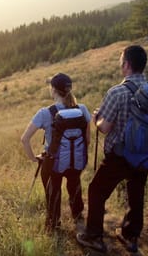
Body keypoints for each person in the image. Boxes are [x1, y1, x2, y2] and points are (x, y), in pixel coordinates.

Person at [76, 45, 148, 253]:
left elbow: (106, 128)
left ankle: (94, 237)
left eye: (121, 62)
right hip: (144, 154)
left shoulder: (117, 92)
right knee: (136, 191)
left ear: (126, 64)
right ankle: (130, 236)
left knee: (96, 190)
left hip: (120, 156)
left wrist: (96, 120)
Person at [21, 72, 91, 232]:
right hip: (76, 160)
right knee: (74, 184)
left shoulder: (45, 113)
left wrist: (33, 158)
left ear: (53, 90)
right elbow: (87, 140)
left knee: (53, 192)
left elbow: (24, 139)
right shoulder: (82, 109)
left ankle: (54, 225)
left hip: (53, 162)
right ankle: (78, 216)